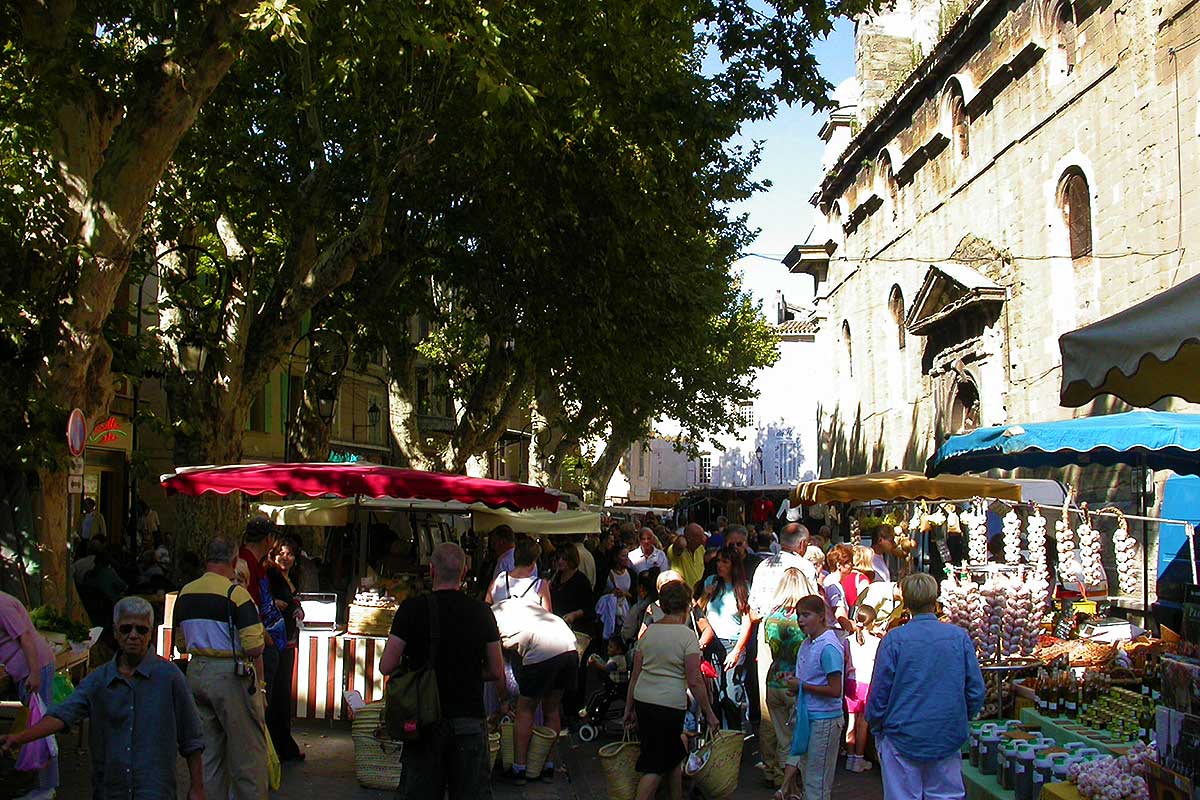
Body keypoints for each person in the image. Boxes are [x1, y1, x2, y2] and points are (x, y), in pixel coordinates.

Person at [4, 596, 205, 800]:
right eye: (127, 629)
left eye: (141, 629)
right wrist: (21, 737)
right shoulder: (99, 680)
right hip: (110, 790)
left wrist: (197, 787)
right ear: (116, 632)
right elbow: (63, 714)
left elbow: (191, 737)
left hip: (154, 790)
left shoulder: (169, 677)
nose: (133, 636)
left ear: (151, 633)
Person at [379, 543, 505, 800]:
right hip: (468, 717)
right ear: (465, 571)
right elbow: (496, 669)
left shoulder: (411, 610)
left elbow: (386, 665)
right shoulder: (482, 612)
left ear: (432, 569)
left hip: (424, 721)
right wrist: (469, 671)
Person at [866, 573, 985, 800]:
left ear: (907, 602)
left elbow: (879, 693)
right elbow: (975, 690)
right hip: (946, 733)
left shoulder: (894, 639)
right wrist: (960, 716)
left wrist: (877, 724)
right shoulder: (958, 637)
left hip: (902, 732)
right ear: (935, 598)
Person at [173, 537, 268, 800]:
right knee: (247, 754)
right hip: (230, 675)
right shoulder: (236, 594)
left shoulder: (186, 592)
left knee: (208, 754)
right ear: (233, 559)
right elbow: (254, 647)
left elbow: (180, 641)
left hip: (196, 673)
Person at [622, 581, 720, 800]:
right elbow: (694, 680)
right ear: (687, 605)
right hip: (669, 705)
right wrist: (709, 713)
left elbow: (635, 675)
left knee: (672, 755)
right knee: (656, 765)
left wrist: (629, 708)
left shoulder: (648, 634)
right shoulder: (687, 637)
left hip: (644, 700)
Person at [747, 523, 819, 786]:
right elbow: (813, 605)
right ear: (802, 545)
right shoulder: (804, 568)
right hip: (798, 635)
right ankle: (791, 770)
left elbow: (753, 611)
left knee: (769, 707)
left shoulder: (763, 566)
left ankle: (772, 767)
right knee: (796, 705)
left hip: (768, 631)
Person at [493, 599, 579, 785]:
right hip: (569, 645)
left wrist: (503, 699)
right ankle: (547, 765)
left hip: (542, 648)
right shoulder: (524, 605)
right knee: (552, 709)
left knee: (525, 710)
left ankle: (519, 769)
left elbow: (497, 668)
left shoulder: (491, 616)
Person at [780, 594, 846, 800]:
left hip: (824, 720)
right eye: (799, 615)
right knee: (808, 777)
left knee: (816, 783)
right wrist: (795, 685)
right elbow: (810, 681)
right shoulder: (808, 644)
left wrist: (803, 686)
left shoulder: (828, 647)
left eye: (806, 615)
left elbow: (836, 690)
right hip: (809, 718)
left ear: (820, 616)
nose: (800, 620)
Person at [0, 591, 57, 800]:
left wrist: (34, 674)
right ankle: (39, 784)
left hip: (34, 667)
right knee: (37, 725)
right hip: (25, 669)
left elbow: (25, 638)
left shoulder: (2, 605)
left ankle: (45, 787)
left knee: (42, 727)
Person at [760, 568, 810, 789]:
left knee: (781, 737)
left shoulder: (771, 618)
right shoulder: (805, 619)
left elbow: (770, 650)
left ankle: (781, 780)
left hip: (774, 679)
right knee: (797, 739)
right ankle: (789, 785)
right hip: (796, 681)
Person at [698, 546, 753, 725]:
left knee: (731, 692)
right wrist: (706, 595)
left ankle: (734, 738)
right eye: (718, 561)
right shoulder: (711, 581)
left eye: (725, 561)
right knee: (713, 693)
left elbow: (747, 621)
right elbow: (697, 611)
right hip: (712, 643)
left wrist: (737, 650)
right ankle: (716, 739)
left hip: (732, 643)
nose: (720, 565)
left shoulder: (742, 587)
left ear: (733, 565)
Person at [266, 538, 305, 761]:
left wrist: (297, 608)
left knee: (283, 695)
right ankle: (278, 745)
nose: (285, 557)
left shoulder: (291, 577)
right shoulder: (270, 575)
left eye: (289, 554)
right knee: (277, 695)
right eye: (281, 553)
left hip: (288, 640)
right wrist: (274, 604)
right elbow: (264, 601)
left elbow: (293, 600)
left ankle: (284, 744)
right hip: (275, 641)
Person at [846, 605, 881, 773]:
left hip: (851, 683)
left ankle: (850, 757)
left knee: (851, 721)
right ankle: (859, 758)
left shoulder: (848, 640)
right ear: (872, 623)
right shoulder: (876, 642)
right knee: (863, 724)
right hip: (867, 683)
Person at [486, 538, 552, 610]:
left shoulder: (498, 580)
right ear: (534, 562)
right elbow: (547, 615)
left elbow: (486, 607)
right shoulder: (540, 585)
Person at [822, 545, 857, 633]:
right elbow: (840, 617)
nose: (852, 566)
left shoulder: (830, 580)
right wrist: (856, 628)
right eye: (849, 563)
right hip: (836, 633)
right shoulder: (834, 585)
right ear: (839, 565)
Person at [668, 524, 707, 590]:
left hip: (700, 593)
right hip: (684, 595)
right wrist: (683, 538)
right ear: (690, 539)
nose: (703, 539)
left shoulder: (701, 548)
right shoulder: (674, 550)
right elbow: (680, 543)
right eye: (700, 537)